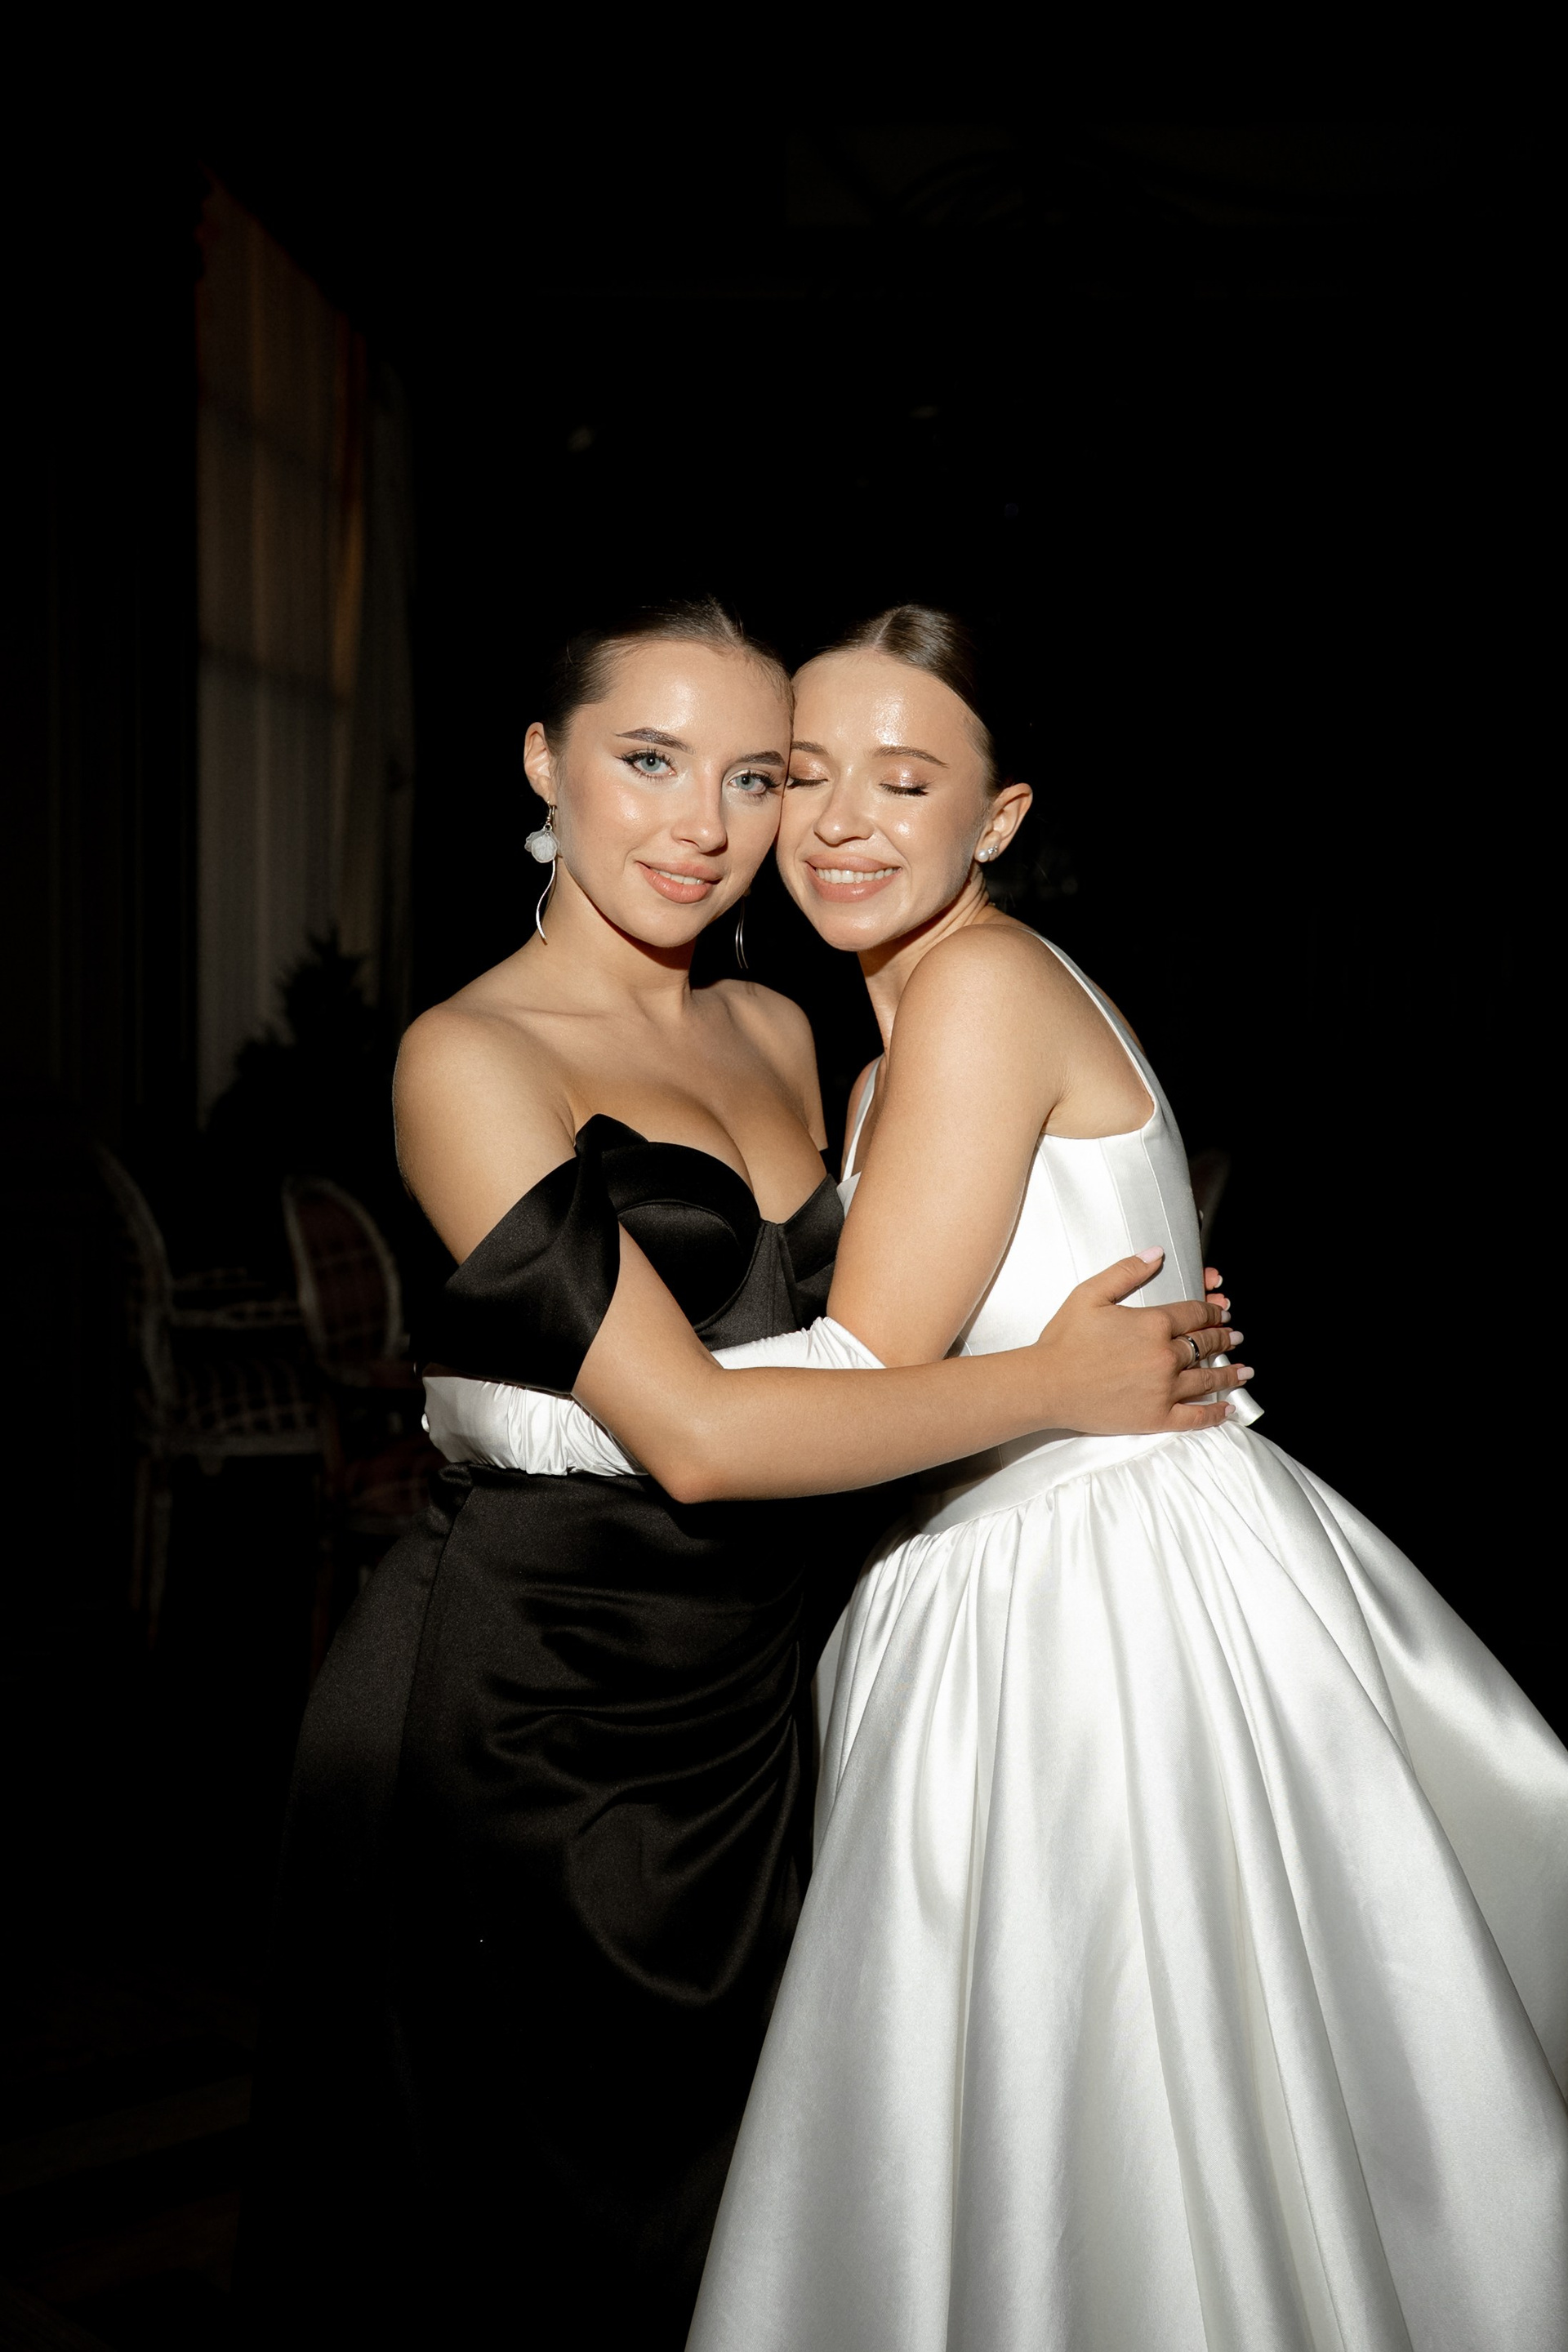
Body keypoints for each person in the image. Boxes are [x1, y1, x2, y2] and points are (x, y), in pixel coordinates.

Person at [235, 599, 1240, 2350]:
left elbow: (876, 1349)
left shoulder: (786, 1026)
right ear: (543, 765)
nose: (704, 823)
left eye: (754, 775)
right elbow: (695, 1436)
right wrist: (1054, 1384)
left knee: (757, 2234)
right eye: (649, 760)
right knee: (519, 2247)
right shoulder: (469, 1058)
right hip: (529, 1705)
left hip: (758, 1710)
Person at [688, 607, 1568, 2352]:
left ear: (998, 816)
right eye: (803, 774)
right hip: (1045, 1552)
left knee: (1108, 2112)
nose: (842, 821)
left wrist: (558, 1404)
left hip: (1081, 1605)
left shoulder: (981, 989)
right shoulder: (902, 1040)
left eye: (905, 780)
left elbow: (865, 1370)